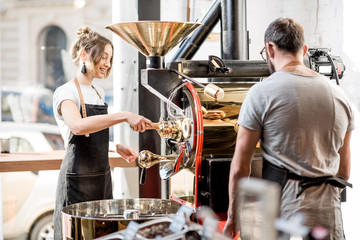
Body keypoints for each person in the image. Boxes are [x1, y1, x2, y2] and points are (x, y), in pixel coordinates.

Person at [224, 18, 355, 240]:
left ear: (269, 48)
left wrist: (233, 217)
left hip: (283, 213)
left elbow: (240, 168)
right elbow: (344, 172)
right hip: (328, 214)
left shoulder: (261, 93)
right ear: (304, 50)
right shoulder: (340, 96)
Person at [52, 26, 153, 240]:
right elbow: (78, 127)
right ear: (84, 55)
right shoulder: (65, 92)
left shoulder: (98, 92)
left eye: (110, 58)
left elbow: (92, 133)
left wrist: (114, 146)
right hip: (76, 182)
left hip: (103, 178)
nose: (107, 64)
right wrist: (124, 115)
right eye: (104, 57)